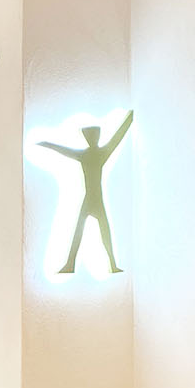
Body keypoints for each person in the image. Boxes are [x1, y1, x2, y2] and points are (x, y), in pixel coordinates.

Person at [38, 112, 133, 274]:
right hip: (93, 199)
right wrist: (48, 145)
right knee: (92, 231)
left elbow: (117, 136)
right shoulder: (96, 153)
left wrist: (48, 144)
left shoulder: (91, 154)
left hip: (93, 199)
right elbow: (66, 151)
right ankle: (102, 264)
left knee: (94, 231)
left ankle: (96, 264)